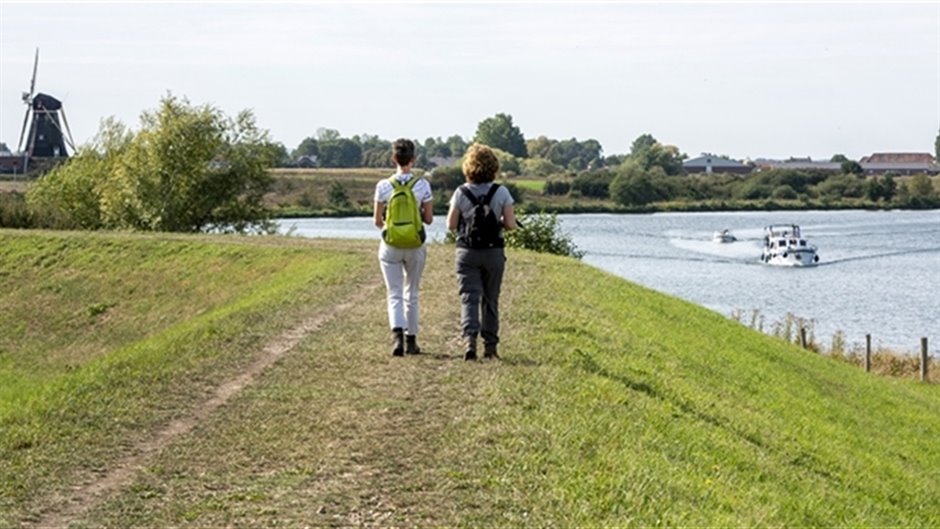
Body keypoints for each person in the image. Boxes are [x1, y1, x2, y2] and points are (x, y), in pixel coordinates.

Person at [446, 143, 517, 361]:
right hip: (493, 252)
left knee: (469, 297)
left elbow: (451, 224)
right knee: (491, 299)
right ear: (493, 167)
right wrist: (500, 221)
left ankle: (469, 341)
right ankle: (490, 347)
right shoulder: (501, 191)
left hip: (467, 251)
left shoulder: (461, 192)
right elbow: (511, 225)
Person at [374, 138, 434, 356]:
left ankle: (396, 338)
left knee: (395, 293)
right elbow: (428, 219)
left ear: (393, 159)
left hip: (390, 245)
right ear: (413, 158)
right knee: (413, 293)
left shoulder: (382, 186)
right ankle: (411, 341)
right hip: (415, 245)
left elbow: (377, 221)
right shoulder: (422, 185)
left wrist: (392, 228)